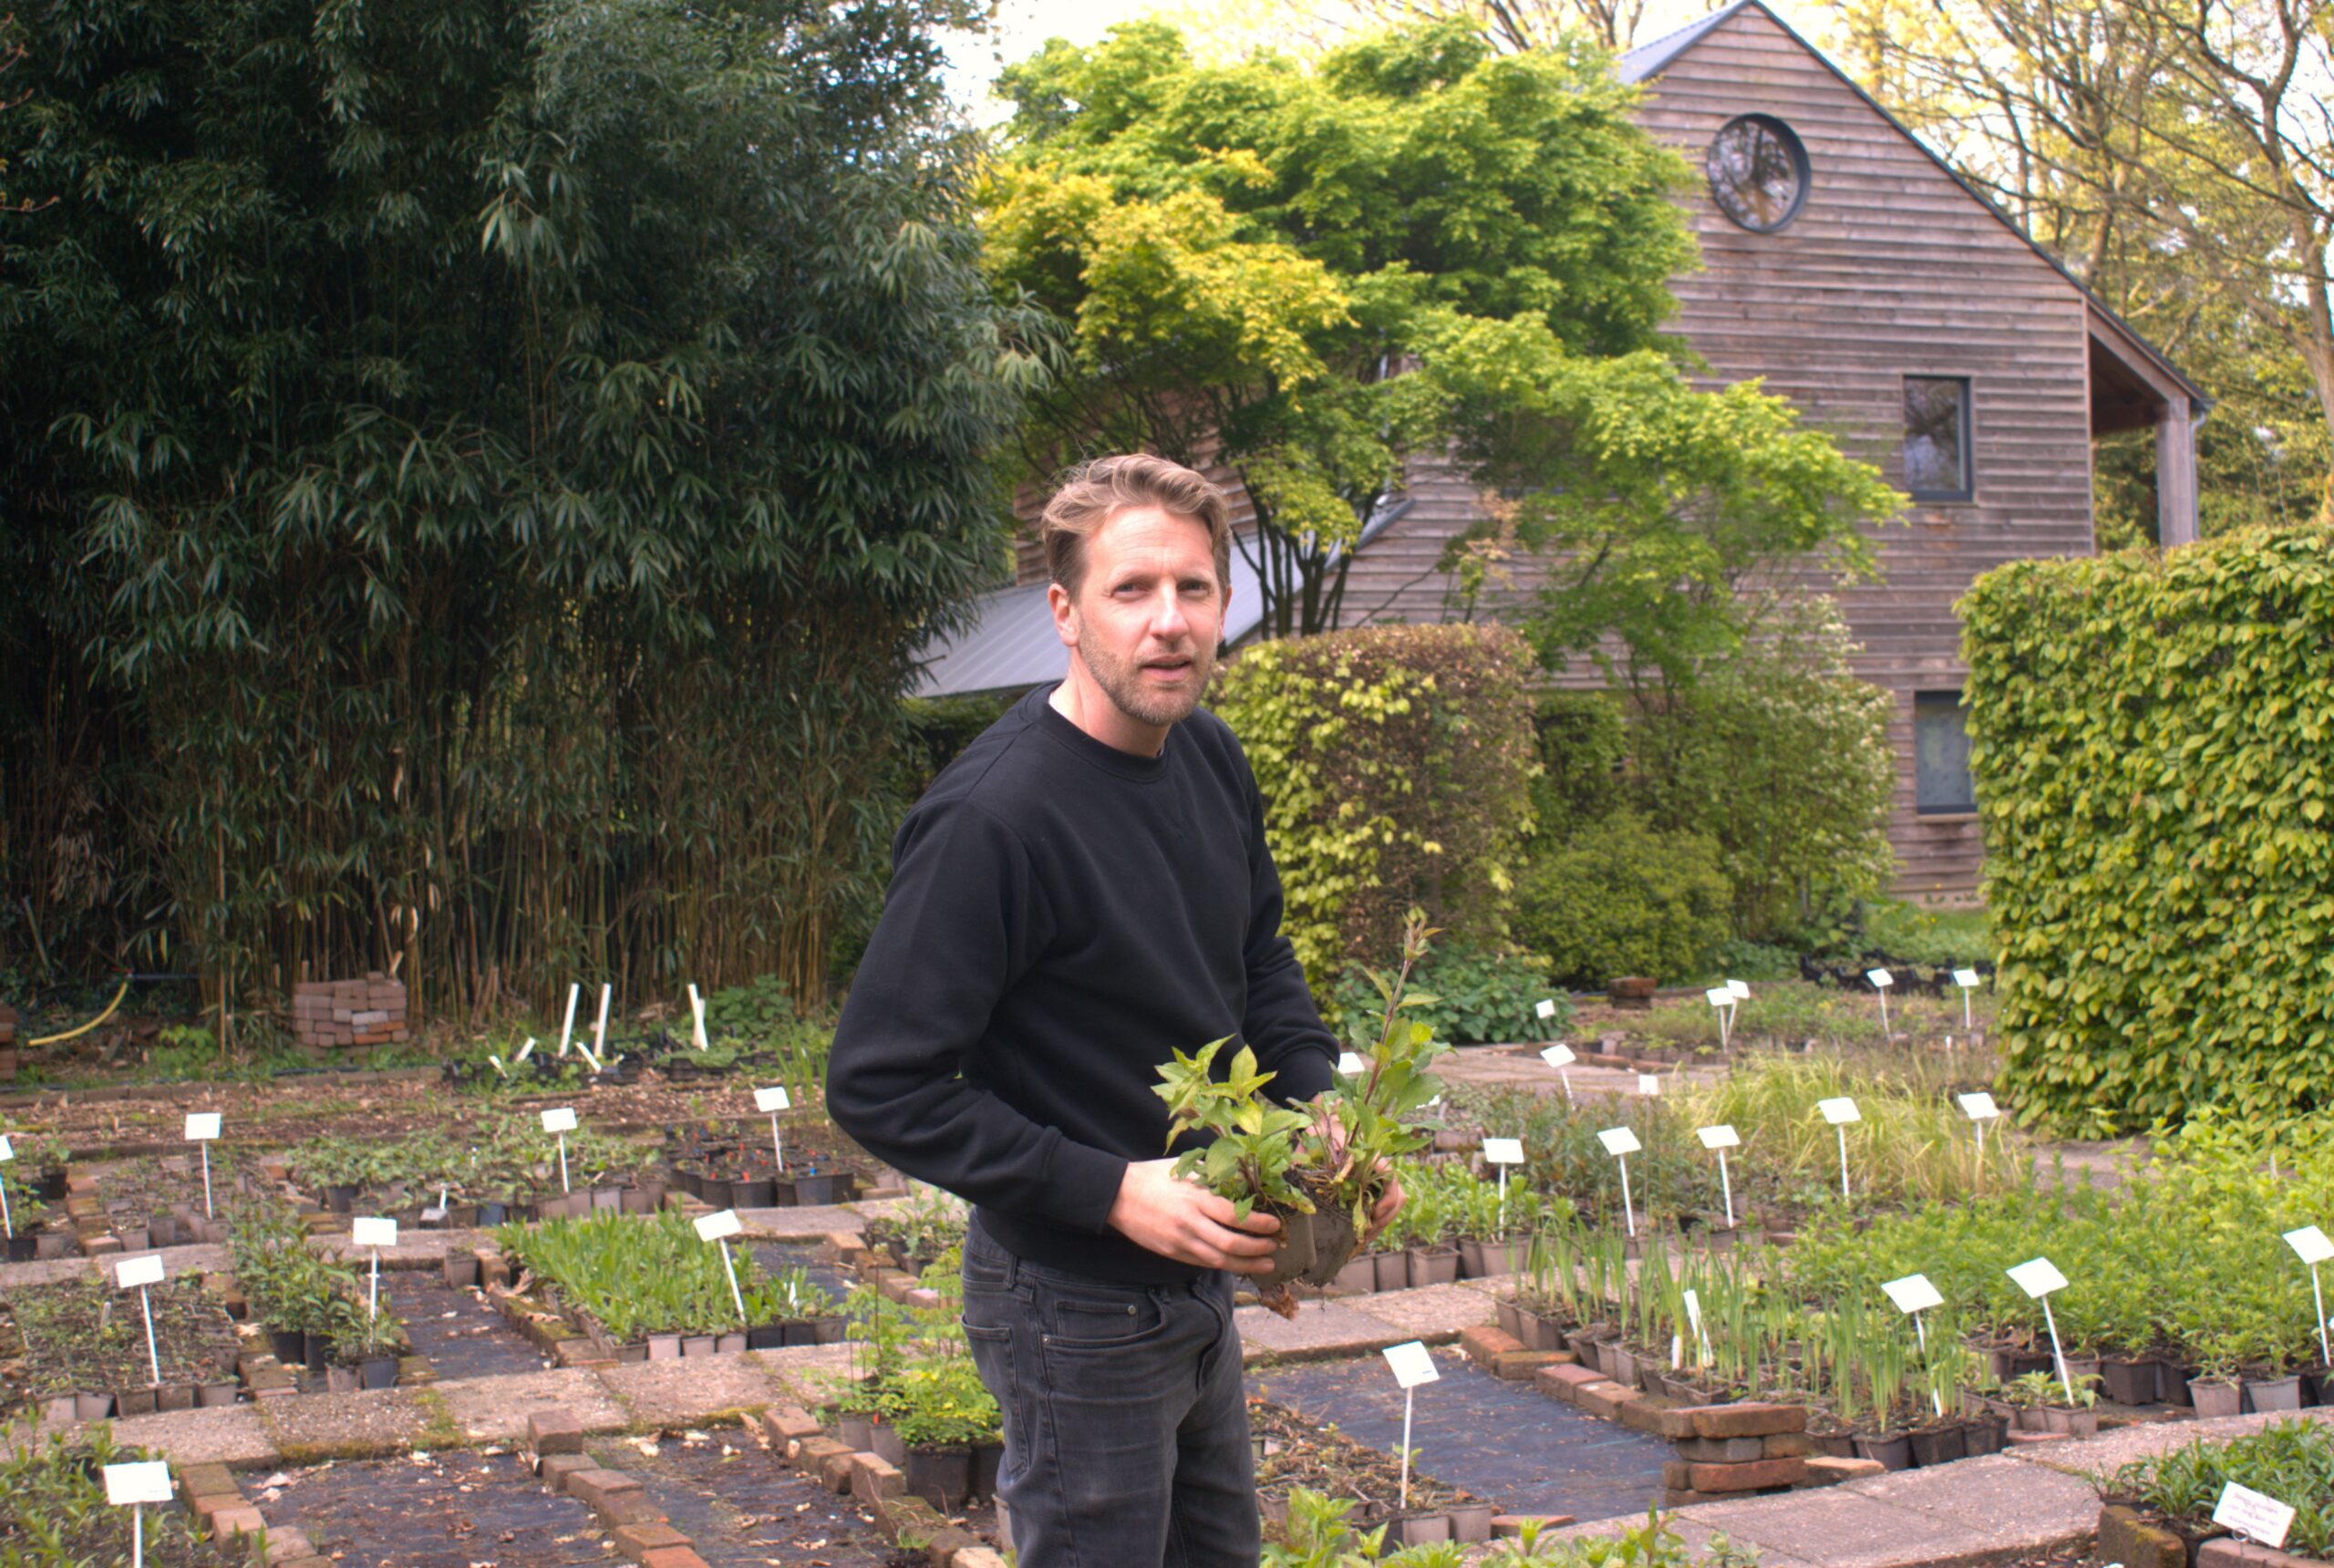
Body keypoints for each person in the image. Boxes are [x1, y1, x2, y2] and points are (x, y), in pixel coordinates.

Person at [827, 452, 1400, 1568]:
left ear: (1225, 604)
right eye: (1130, 591)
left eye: (1193, 589)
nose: (1168, 622)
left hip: (1198, 1272)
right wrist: (1111, 1188)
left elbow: (1256, 956)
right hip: (1070, 1302)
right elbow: (877, 1082)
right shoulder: (993, 819)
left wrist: (1317, 1114)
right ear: (1065, 611)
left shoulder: (1209, 758)